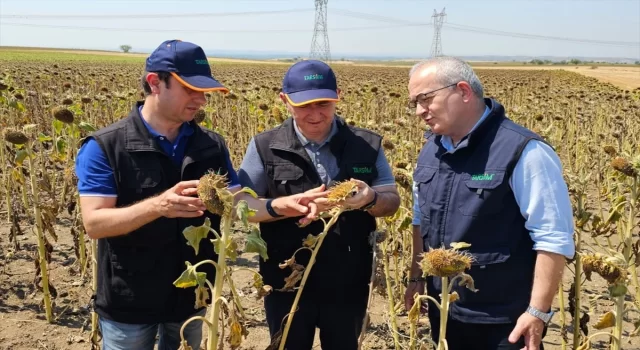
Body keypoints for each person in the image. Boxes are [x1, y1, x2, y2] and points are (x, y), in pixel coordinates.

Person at [75, 39, 326, 350]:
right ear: (155, 83)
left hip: (191, 295)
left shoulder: (209, 144)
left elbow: (237, 202)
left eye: (204, 91)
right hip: (130, 298)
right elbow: (95, 223)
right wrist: (159, 206)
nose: (200, 100)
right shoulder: (105, 147)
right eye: (189, 89)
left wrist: (280, 206)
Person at [404, 56, 575, 350]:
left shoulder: (523, 150)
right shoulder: (431, 149)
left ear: (463, 91)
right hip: (445, 311)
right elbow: (421, 218)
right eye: (414, 102)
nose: (420, 111)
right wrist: (416, 277)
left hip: (502, 319)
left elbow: (553, 237)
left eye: (426, 99)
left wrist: (537, 311)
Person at [237, 59, 401, 349]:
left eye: (323, 103)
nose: (315, 114)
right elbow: (244, 205)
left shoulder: (366, 145)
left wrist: (369, 199)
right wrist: (282, 206)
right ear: (284, 100)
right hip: (285, 279)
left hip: (347, 280)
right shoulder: (265, 145)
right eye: (304, 105)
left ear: (337, 96)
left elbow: (391, 200)